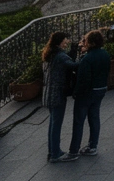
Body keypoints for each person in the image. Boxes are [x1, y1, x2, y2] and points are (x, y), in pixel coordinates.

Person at [67, 29, 111, 158]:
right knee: (94, 118)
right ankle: (93, 146)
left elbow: (83, 79)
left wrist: (76, 93)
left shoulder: (87, 59)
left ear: (90, 43)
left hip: (87, 93)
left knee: (79, 121)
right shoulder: (105, 54)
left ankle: (74, 150)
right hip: (101, 89)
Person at [42, 31, 79, 162]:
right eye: (65, 40)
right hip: (57, 95)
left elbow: (66, 62)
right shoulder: (60, 56)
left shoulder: (51, 53)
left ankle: (52, 151)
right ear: (60, 42)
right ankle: (55, 154)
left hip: (48, 94)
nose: (67, 41)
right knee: (56, 125)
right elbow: (74, 65)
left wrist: (73, 51)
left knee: (52, 124)